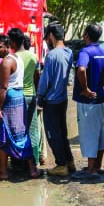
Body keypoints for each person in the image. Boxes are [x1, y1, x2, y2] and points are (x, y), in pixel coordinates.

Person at [0, 36, 41, 180]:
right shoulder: (16, 58)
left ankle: (3, 172)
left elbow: (3, 87)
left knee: (4, 134)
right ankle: (32, 170)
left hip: (8, 100)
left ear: (8, 45)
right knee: (21, 133)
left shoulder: (6, 62)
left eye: (0, 47)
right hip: (18, 97)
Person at [72, 24, 104, 179]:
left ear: (86, 36)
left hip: (87, 101)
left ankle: (90, 170)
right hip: (100, 100)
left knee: (89, 134)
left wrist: (84, 88)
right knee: (99, 133)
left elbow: (81, 69)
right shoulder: (103, 52)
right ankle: (97, 166)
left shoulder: (85, 52)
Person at [38, 23, 75, 177]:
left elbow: (45, 80)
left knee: (53, 133)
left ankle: (61, 164)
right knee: (62, 131)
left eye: (47, 37)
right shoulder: (69, 52)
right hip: (62, 98)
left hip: (51, 99)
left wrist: (40, 98)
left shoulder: (52, 55)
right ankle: (69, 161)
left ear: (51, 36)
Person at [11, 28, 41, 166]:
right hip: (31, 95)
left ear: (12, 42)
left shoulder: (13, 58)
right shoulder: (33, 56)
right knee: (33, 129)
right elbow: (37, 76)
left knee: (18, 130)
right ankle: (34, 160)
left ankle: (19, 161)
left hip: (18, 98)